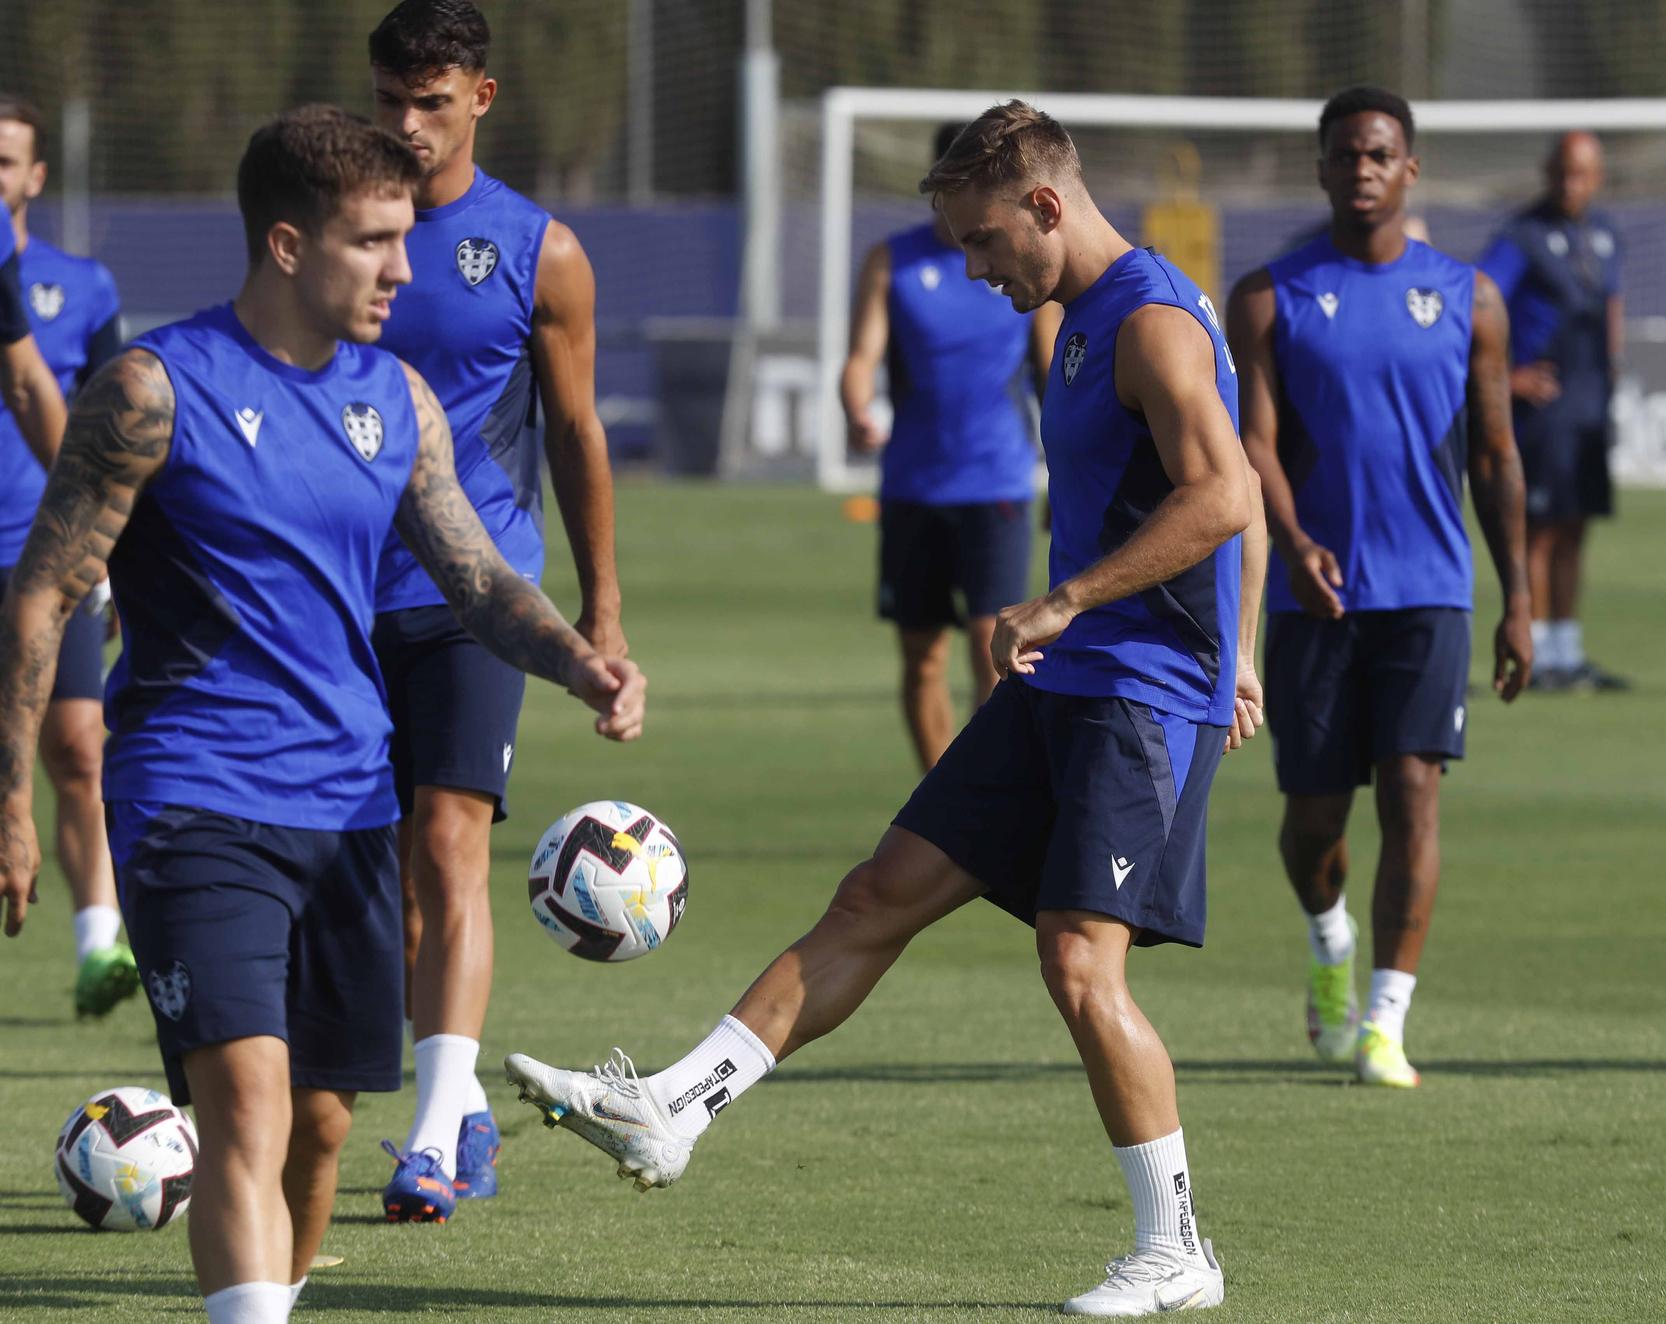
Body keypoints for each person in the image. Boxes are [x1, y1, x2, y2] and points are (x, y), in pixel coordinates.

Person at [507, 99, 1265, 1316]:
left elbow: (1225, 492)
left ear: (1044, 207)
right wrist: (1242, 646)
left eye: (982, 241)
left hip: (1137, 695)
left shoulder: (1154, 324)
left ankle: (1176, 1246)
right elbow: (1242, 495)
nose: (973, 268)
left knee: (1077, 961)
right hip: (1069, 681)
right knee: (875, 894)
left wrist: (1080, 603)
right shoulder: (1082, 318)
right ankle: (674, 1108)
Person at [0, 105, 644, 1323]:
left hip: (351, 799)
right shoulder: (150, 390)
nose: (403, 269)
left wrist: (578, 661)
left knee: (319, 1128)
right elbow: (42, 594)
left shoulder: (397, 399)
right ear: (287, 245)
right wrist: (13, 807)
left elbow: (477, 579)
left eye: (406, 239)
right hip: (194, 799)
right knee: (244, 1100)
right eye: (373, 242)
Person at [366, 0, 627, 1218]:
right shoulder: (332, 229)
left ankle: (424, 1140)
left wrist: (602, 614)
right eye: (392, 102)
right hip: (334, 593)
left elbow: (576, 433)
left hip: (478, 593)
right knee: (371, 875)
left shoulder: (538, 249)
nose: (409, 126)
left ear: (481, 98)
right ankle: (461, 1101)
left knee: (449, 844)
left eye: (432, 101)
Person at [1227, 86, 1531, 1089]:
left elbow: (1493, 453)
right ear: (1319, 170)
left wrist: (1518, 602)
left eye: (1379, 153)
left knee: (1412, 795)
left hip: (1430, 592)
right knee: (1314, 818)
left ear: (1409, 171)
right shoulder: (1269, 296)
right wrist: (1295, 536)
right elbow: (1253, 445)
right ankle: (1328, 947)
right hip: (1313, 599)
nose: (1361, 168)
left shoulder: (1467, 297)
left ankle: (1383, 1023)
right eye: (1344, 154)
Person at [841, 121, 1059, 771]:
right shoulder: (893, 260)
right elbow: (861, 358)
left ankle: (987, 793)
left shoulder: (1019, 262)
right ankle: (940, 797)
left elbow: (1050, 376)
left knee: (992, 649)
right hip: (912, 487)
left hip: (998, 484)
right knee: (921, 657)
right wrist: (856, 409)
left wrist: (1067, 476)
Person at [0, 94, 135, 1016]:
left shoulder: (79, 286)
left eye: (6, 160)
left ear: (36, 176)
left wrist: (108, 541)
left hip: (44, 553)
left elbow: (99, 425)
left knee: (79, 748)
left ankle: (99, 948)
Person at [1478, 131, 1628, 692]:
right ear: (1548, 172)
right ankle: (1534, 648)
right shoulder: (1523, 236)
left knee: (1574, 528)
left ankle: (1568, 651)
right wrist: (1507, 376)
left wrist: (1612, 364)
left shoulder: (1607, 233)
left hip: (1588, 406)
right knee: (1537, 531)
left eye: (1582, 173)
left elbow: (1610, 302)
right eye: (1563, 172)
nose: (1571, 184)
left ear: (1599, 176)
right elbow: (1480, 296)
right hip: (1540, 411)